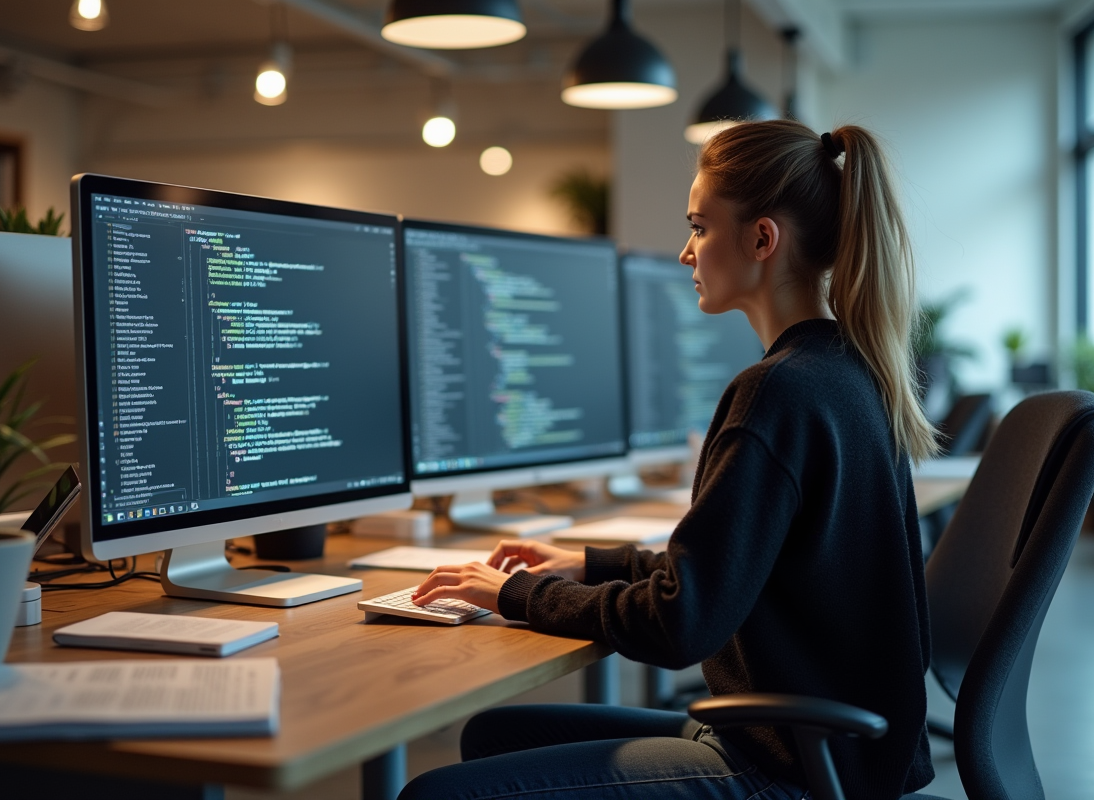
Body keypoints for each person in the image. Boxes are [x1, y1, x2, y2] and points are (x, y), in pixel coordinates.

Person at [400, 119, 939, 800]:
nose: (686, 253)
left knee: (435, 794)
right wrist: (593, 565)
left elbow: (680, 624)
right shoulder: (844, 372)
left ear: (762, 239)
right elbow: (739, 567)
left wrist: (514, 595)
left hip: (782, 768)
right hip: (827, 748)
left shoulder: (776, 393)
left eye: (700, 227)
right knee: (493, 737)